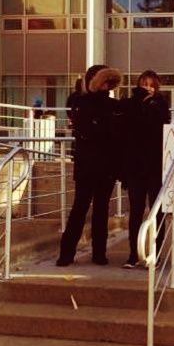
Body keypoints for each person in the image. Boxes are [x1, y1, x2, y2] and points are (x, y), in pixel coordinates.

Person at [56, 65, 122, 267]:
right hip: (86, 165)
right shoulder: (79, 101)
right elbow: (85, 126)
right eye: (102, 81)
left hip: (106, 165)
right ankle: (66, 253)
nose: (105, 86)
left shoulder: (113, 105)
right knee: (79, 208)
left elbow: (116, 131)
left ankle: (99, 253)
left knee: (101, 210)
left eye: (108, 82)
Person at [121, 70, 170, 268]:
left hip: (156, 166)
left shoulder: (160, 104)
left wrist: (149, 104)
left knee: (156, 211)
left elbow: (161, 124)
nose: (147, 87)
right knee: (135, 211)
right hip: (135, 167)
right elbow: (126, 131)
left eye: (151, 84)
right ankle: (134, 253)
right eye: (144, 83)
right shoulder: (131, 104)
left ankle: (155, 253)